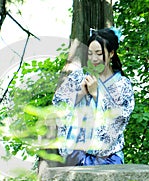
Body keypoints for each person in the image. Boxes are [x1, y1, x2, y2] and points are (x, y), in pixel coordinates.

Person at [52, 27, 135, 166]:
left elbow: (121, 117)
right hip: (77, 154)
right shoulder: (79, 77)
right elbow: (58, 103)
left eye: (99, 53)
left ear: (111, 53)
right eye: (90, 53)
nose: (94, 58)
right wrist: (80, 93)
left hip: (109, 156)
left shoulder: (122, 84)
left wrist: (97, 95)